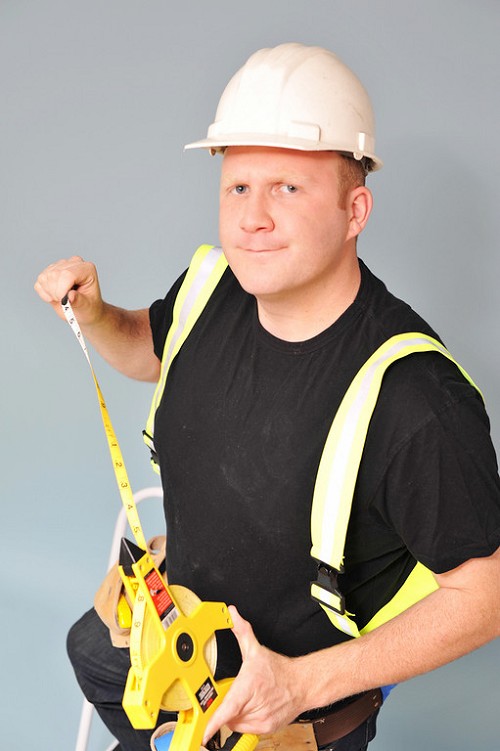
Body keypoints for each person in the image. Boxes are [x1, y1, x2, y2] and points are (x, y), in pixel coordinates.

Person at [35, 43, 500, 751]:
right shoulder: (212, 289)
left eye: (287, 188)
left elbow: (486, 596)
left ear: (355, 210)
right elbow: (155, 350)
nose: (252, 217)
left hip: (277, 714)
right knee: (92, 652)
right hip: (184, 637)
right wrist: (98, 316)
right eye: (238, 187)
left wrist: (301, 684)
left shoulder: (413, 397)